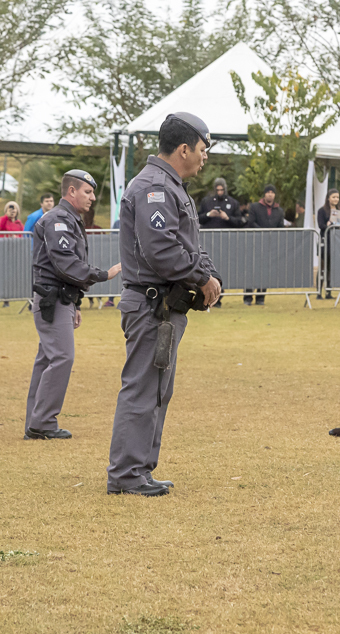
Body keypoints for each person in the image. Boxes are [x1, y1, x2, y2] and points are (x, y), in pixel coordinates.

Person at [107, 112, 222, 496]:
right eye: (203, 149)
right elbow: (161, 249)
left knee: (157, 389)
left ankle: (139, 469)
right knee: (142, 388)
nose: (205, 157)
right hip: (150, 305)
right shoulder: (154, 187)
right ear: (185, 148)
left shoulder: (170, 186)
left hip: (164, 308)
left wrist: (208, 272)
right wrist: (202, 277)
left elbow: (188, 244)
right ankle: (126, 475)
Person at [25, 170, 122, 442]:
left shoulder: (68, 218)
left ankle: (36, 422)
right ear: (71, 192)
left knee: (47, 361)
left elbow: (62, 267)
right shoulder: (58, 219)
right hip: (52, 300)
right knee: (62, 358)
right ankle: (42, 423)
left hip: (60, 299)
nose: (92, 197)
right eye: (87, 192)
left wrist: (76, 303)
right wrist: (104, 274)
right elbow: (64, 262)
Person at [246, 184, 285, 305]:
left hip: (270, 245)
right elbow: (251, 222)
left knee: (265, 271)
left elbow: (280, 226)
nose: (270, 194)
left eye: (272, 192)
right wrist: (262, 232)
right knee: (252, 270)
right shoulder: (255, 207)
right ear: (264, 194)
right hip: (256, 243)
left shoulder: (279, 211)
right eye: (268, 192)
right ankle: (247, 296)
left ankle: (260, 297)